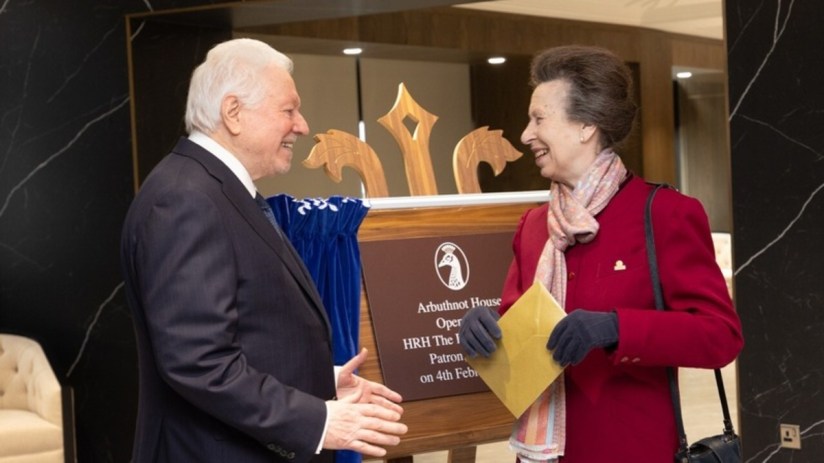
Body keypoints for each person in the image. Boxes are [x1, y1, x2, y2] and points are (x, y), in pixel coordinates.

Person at [120, 38, 407, 463]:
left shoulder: (214, 189)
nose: (302, 126)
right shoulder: (186, 199)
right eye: (288, 110)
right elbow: (200, 363)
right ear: (233, 112)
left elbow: (247, 333)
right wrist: (317, 420)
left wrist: (318, 382)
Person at [458, 45, 743, 462]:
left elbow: (720, 337)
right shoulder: (533, 226)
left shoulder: (665, 214)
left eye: (539, 119)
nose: (525, 135)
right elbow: (519, 331)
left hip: (632, 450)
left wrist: (617, 328)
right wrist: (485, 330)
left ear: (587, 125)